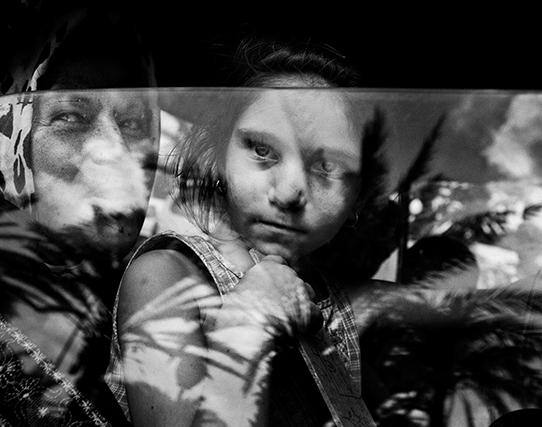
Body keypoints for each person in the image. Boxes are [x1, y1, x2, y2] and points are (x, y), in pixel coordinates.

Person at [106, 38, 384, 426]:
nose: (289, 192)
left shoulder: (336, 304)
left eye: (328, 166)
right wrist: (246, 327)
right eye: (262, 150)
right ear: (220, 158)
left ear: (357, 195)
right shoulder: (165, 280)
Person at [0, 5, 159, 426]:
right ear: (8, 136)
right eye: (71, 116)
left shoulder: (166, 286)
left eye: (132, 123)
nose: (114, 150)